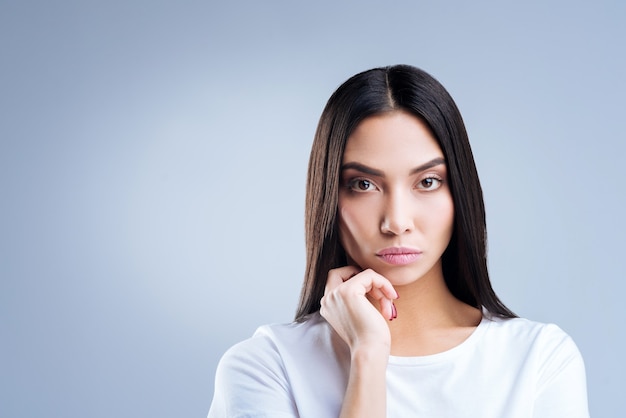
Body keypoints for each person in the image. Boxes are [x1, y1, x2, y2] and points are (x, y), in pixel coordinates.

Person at [207, 65, 589, 417]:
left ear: (460, 193)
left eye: (427, 182)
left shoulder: (538, 360)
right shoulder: (267, 367)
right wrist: (369, 356)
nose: (396, 221)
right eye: (363, 185)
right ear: (328, 198)